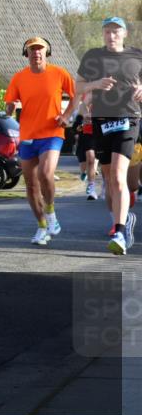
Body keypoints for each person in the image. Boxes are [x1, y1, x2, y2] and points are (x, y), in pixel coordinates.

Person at [72, 17, 142, 255]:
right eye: (107, 32)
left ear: (124, 33)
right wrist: (95, 84)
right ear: (103, 34)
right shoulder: (93, 57)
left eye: (115, 32)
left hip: (128, 119)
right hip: (102, 121)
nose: (111, 36)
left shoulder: (137, 56)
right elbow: (77, 87)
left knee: (119, 176)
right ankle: (122, 221)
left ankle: (121, 232)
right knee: (110, 178)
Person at [3, 37, 76, 246]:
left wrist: (66, 116)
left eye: (40, 49)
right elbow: (9, 105)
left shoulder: (59, 73)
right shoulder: (19, 78)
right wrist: (9, 109)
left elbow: (76, 95)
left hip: (52, 133)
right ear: (27, 54)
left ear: (47, 52)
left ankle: (51, 212)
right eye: (32, 50)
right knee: (32, 185)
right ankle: (42, 226)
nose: (36, 53)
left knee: (46, 173)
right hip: (27, 136)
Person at [74, 111, 99, 200]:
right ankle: (84, 173)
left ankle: (91, 186)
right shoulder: (81, 113)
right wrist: (81, 126)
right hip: (83, 142)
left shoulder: (101, 109)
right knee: (84, 165)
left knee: (92, 159)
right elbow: (75, 128)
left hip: (94, 139)